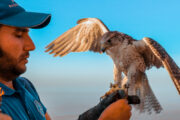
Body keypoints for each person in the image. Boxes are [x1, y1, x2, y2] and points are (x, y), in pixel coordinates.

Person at [0, 0, 132, 120]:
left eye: (28, 33)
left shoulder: (24, 86)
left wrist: (94, 115)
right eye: (18, 34)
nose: (32, 46)